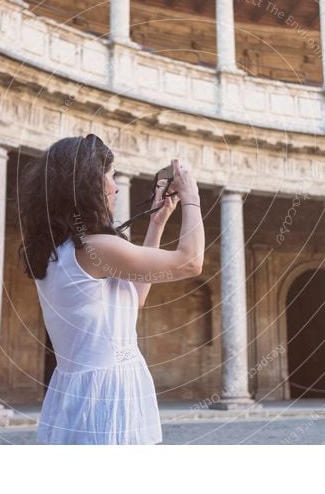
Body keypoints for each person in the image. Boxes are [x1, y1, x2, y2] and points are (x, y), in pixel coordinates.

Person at [17, 133, 205, 444]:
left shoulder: (56, 251)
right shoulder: (96, 248)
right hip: (107, 393)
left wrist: (157, 223)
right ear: (89, 185)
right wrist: (191, 196)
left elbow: (135, 300)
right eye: (110, 175)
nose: (115, 186)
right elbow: (191, 262)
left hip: (78, 391)